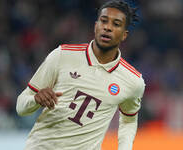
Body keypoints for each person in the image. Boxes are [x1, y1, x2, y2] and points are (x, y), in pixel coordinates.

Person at [16, 0, 145, 150]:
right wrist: (35, 100)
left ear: (124, 35)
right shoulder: (62, 55)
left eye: (116, 24)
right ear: (96, 26)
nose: (108, 28)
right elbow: (21, 107)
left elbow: (129, 120)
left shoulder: (133, 81)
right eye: (104, 21)